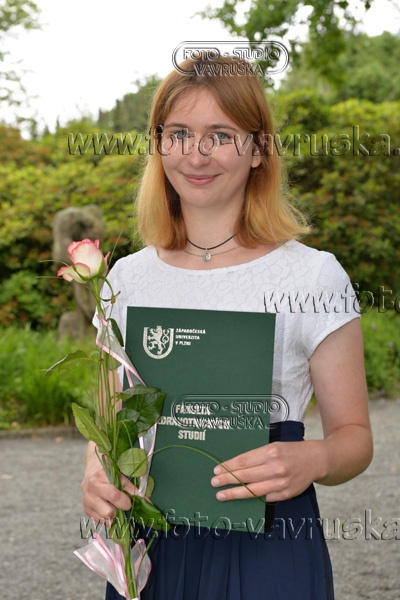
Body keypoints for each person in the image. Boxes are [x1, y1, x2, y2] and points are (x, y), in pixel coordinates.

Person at [82, 55, 373, 599]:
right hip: (150, 546)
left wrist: (315, 458)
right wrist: (95, 475)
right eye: (178, 134)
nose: (196, 154)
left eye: (220, 135)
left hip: (268, 546)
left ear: (259, 149)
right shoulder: (126, 279)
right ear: (158, 143)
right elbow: (111, 421)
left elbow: (355, 438)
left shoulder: (312, 276)